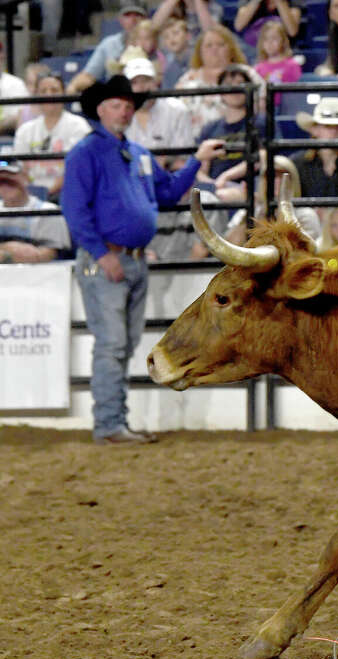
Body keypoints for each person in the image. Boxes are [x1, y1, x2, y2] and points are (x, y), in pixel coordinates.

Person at [62, 75, 224, 444]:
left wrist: (195, 162)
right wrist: (103, 255)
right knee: (114, 344)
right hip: (110, 260)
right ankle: (109, 424)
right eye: (117, 105)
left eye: (127, 104)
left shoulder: (137, 154)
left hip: (127, 260)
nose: (125, 110)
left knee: (120, 344)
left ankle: (113, 422)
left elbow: (166, 191)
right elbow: (74, 211)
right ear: (101, 111)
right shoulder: (88, 153)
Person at [13, 72, 91, 199]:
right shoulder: (25, 131)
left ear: (63, 94)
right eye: (43, 91)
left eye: (54, 90)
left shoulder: (79, 126)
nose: (49, 95)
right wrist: (35, 195)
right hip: (32, 196)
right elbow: (22, 171)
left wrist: (48, 193)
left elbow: (76, 170)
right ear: (36, 96)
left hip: (69, 194)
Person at [222, 152, 322, 245]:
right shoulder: (251, 211)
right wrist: (249, 215)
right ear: (262, 181)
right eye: (271, 176)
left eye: (282, 176)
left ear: (293, 181)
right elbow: (231, 245)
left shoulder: (305, 215)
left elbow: (306, 252)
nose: (277, 181)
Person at [175, 25, 254, 134]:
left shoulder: (247, 74)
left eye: (220, 45)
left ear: (231, 49)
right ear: (200, 51)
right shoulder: (186, 81)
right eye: (209, 45)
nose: (214, 49)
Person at [124, 57, 196, 172]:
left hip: (170, 177)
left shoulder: (177, 110)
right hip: (129, 178)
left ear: (156, 82)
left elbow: (183, 159)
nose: (142, 87)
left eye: (146, 80)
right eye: (134, 82)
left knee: (196, 187)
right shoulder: (119, 115)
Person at [196, 64, 264, 183]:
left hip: (249, 188)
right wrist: (212, 185)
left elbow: (263, 157)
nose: (234, 89)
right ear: (220, 92)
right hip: (214, 188)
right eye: (228, 84)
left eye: (240, 83)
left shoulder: (260, 123)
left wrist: (226, 177)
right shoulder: (210, 128)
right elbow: (201, 169)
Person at [66, 1, 148, 94]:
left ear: (145, 19)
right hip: (117, 97)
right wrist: (73, 86)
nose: (133, 19)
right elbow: (89, 75)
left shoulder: (154, 42)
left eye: (138, 15)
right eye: (128, 15)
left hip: (148, 96)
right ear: (120, 20)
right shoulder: (109, 44)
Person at [0, 160, 71, 264]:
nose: (6, 184)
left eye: (11, 178)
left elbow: (47, 255)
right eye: (2, 180)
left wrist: (6, 253)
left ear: (25, 178)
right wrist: (10, 250)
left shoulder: (48, 212)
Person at [253, 19, 302, 101]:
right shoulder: (258, 68)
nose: (269, 42)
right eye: (266, 39)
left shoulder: (292, 65)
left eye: (274, 38)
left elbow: (296, 92)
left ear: (283, 41)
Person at [233, 0, 302, 46]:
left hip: (281, 47)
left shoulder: (293, 2)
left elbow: (292, 31)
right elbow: (238, 26)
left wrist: (280, 2)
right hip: (252, 47)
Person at [159, 18, 193, 89]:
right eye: (166, 37)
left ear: (188, 36)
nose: (171, 39)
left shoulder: (199, 59)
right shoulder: (168, 69)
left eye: (175, 33)